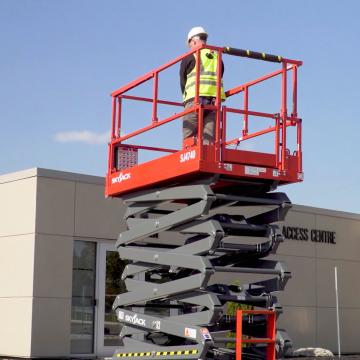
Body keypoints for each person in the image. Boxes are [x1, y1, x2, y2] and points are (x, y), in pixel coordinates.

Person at [180, 26, 225, 145]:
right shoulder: (217, 56)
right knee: (208, 141)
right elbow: (220, 75)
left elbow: (183, 81)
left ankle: (187, 159)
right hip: (213, 103)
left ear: (193, 41)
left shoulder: (190, 56)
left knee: (188, 139)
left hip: (193, 102)